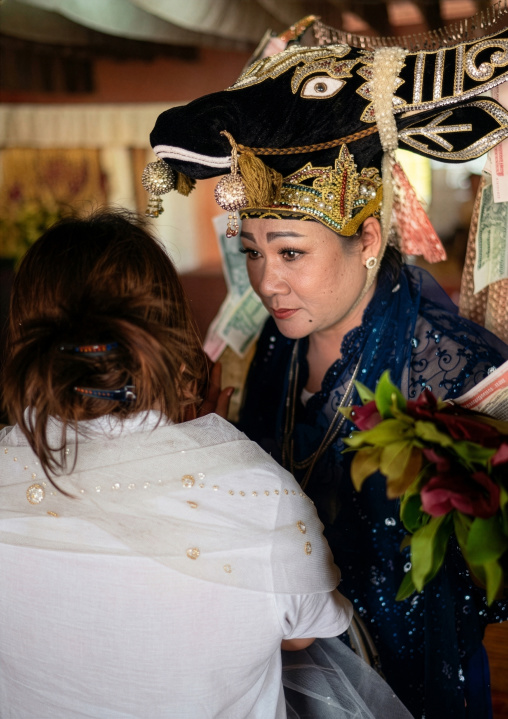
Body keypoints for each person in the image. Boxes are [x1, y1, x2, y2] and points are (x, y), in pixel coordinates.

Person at [144, 20, 508, 719]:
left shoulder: (455, 370)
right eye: (252, 251)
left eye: (289, 252)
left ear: (367, 238)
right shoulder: (275, 346)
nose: (264, 282)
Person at [0, 209, 364, 719]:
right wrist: (203, 461)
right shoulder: (258, 497)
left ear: (22, 334)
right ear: (172, 327)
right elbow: (303, 634)